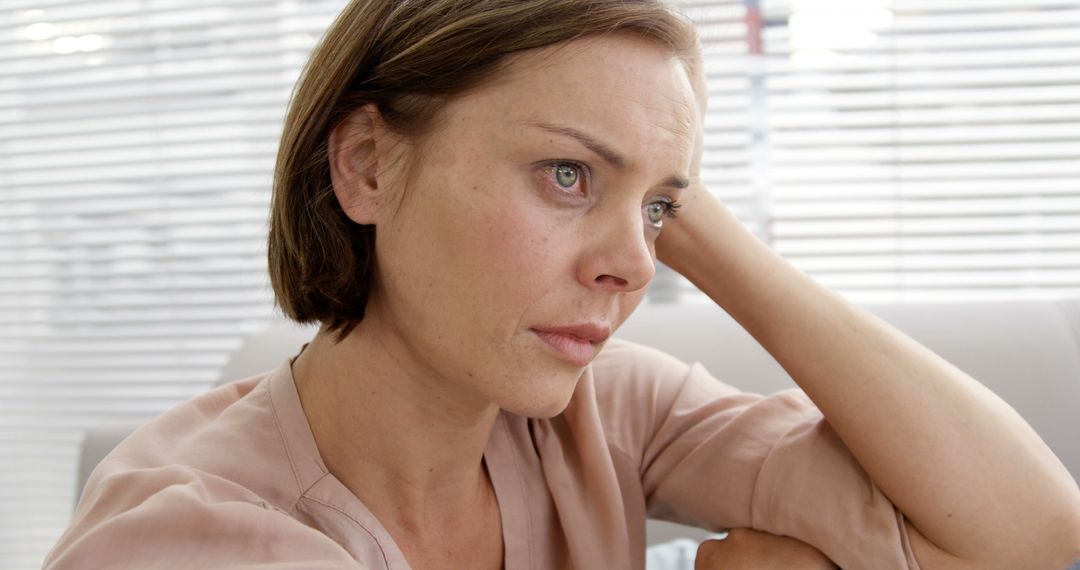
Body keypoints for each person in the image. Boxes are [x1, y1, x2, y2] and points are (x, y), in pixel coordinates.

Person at [45, 0, 1080, 568]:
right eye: (566, 174)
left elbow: (1032, 540)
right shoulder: (187, 535)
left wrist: (702, 233)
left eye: (660, 211)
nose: (632, 264)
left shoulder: (605, 412)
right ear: (365, 164)